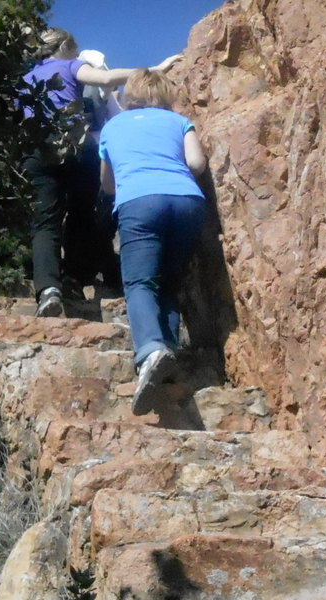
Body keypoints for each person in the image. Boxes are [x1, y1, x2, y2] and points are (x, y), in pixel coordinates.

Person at [21, 28, 180, 317]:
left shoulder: (26, 79)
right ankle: (72, 280)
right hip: (75, 146)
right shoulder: (70, 65)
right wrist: (153, 70)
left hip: (37, 151)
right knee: (81, 215)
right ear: (65, 46)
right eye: (74, 48)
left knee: (45, 223)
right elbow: (106, 79)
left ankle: (48, 289)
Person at [98, 68, 207, 415]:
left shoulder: (113, 126)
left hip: (140, 202)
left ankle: (150, 350)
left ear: (130, 95)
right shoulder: (179, 121)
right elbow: (196, 163)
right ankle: (168, 354)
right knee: (170, 283)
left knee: (140, 283)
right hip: (187, 201)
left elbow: (108, 185)